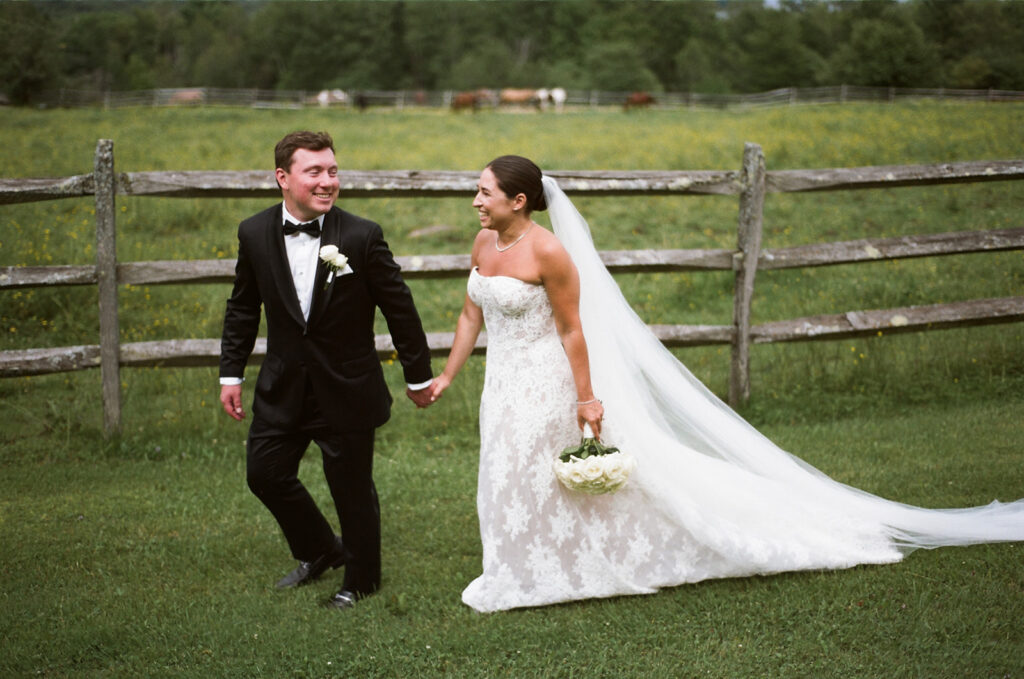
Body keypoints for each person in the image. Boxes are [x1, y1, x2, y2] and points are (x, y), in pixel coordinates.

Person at [429, 155, 1024, 613]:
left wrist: (587, 397)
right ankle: (521, 562)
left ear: (520, 199)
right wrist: (447, 376)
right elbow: (469, 314)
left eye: (484, 191)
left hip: (546, 379)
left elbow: (573, 331)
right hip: (501, 382)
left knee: (544, 466)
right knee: (505, 466)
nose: (475, 200)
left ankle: (558, 567)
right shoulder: (484, 242)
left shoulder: (551, 253)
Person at [219, 130, 434, 610]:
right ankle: (320, 550)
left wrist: (417, 376)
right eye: (314, 171)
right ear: (283, 177)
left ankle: (361, 580)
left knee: (351, 488)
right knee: (265, 473)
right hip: (284, 386)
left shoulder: (361, 236)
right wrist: (230, 373)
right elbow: (242, 308)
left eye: (332, 170)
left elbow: (400, 309)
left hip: (346, 386)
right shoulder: (253, 233)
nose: (327, 181)